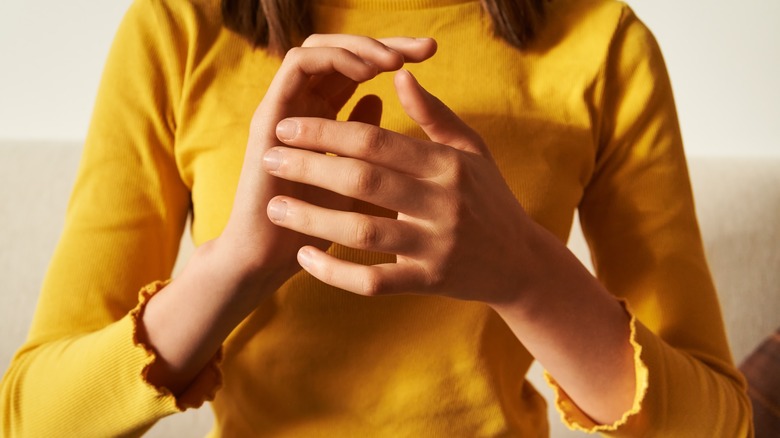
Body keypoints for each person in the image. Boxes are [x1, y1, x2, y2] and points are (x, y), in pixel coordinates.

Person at [0, 0, 754, 436]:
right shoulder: (176, 28)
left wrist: (527, 275)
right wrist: (239, 261)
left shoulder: (603, 40)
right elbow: (34, 418)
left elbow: (725, 422)